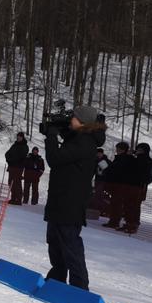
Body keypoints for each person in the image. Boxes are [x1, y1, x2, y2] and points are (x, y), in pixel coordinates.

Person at [41, 105, 107, 289]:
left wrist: (52, 136)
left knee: (70, 245)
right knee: (55, 241)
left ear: (83, 122)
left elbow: (54, 159)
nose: (71, 120)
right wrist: (60, 130)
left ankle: (79, 287)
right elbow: (69, 146)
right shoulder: (79, 138)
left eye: (74, 118)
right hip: (60, 198)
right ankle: (57, 279)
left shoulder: (85, 142)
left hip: (70, 201)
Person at [101, 142, 134, 229]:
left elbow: (115, 170)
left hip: (119, 185)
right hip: (119, 185)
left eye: (118, 149)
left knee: (116, 204)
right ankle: (114, 221)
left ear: (122, 149)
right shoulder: (123, 158)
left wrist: (107, 167)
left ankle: (114, 222)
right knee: (116, 204)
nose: (116, 150)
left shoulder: (123, 159)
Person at [4, 132, 29, 205]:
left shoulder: (25, 146)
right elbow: (7, 154)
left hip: (18, 167)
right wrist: (9, 161)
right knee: (10, 182)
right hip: (11, 166)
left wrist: (12, 160)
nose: (18, 138)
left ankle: (18, 199)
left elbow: (21, 157)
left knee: (17, 183)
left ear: (22, 137)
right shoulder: (14, 145)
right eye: (18, 136)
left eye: (20, 137)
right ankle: (13, 198)